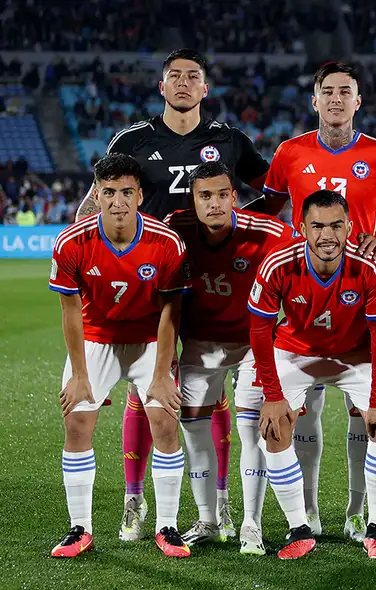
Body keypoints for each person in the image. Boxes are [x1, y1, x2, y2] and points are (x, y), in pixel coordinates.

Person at [75, 49, 271, 542]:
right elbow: (92, 203)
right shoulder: (134, 140)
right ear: (161, 87)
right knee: (147, 392)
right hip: (148, 284)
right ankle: (134, 501)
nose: (183, 83)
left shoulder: (228, 139)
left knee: (210, 394)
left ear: (206, 89)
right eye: (174, 77)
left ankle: (220, 506)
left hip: (213, 281)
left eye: (194, 77)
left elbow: (275, 190)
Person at [260, 61, 376, 541]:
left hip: (361, 288)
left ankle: (355, 510)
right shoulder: (289, 153)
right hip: (306, 287)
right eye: (327, 91)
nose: (336, 99)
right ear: (315, 100)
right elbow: (267, 211)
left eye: (345, 91)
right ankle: (307, 513)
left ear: (358, 99)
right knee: (296, 412)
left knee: (362, 413)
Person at [49, 154, 190, 558]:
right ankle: (80, 528)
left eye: (126, 192)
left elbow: (171, 310)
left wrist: (162, 372)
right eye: (108, 192)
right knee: (77, 422)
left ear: (140, 195)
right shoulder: (72, 242)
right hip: (97, 339)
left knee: (164, 421)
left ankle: (167, 527)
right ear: (97, 195)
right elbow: (71, 311)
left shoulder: (166, 243)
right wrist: (79, 374)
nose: (117, 202)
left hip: (149, 340)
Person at [248, 190, 376, 560]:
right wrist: (271, 395)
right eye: (317, 226)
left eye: (335, 225)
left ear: (350, 227)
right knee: (275, 426)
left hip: (354, 355)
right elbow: (259, 332)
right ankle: (299, 528)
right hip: (297, 353)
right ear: (301, 228)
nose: (327, 235)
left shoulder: (369, 268)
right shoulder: (277, 265)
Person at [164, 162, 293, 554]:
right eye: (205, 196)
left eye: (223, 195)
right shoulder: (176, 227)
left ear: (235, 198)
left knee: (252, 429)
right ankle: (208, 520)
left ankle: (251, 524)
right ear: (194, 200)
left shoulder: (269, 232)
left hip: (255, 344)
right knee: (193, 430)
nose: (215, 203)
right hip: (200, 344)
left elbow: (299, 269)